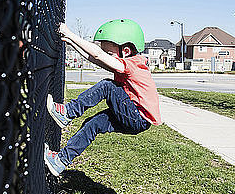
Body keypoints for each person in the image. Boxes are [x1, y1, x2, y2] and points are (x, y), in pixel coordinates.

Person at [44, 19, 162, 176]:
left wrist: (69, 32)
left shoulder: (133, 64)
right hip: (136, 119)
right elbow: (94, 58)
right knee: (93, 124)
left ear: (125, 51)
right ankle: (59, 161)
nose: (107, 56)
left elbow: (98, 54)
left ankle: (68, 113)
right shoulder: (124, 63)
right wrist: (72, 42)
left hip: (137, 117)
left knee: (108, 85)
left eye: (110, 54)